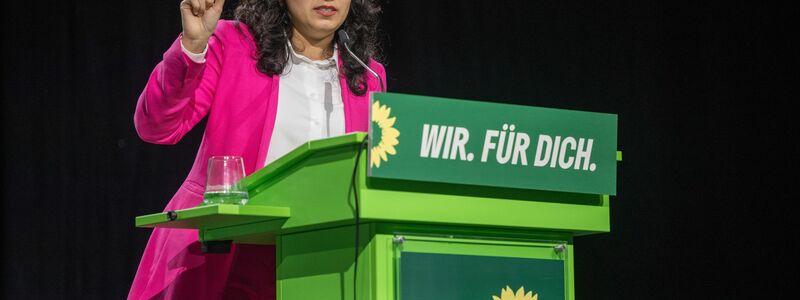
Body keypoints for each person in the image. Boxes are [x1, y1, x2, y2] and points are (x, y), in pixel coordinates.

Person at [129, 0, 385, 298]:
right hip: (221, 253)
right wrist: (193, 47)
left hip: (315, 264)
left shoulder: (369, 76)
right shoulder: (234, 45)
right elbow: (157, 126)